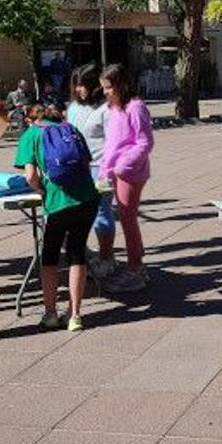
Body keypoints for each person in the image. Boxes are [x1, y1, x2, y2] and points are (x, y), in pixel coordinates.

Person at [16, 103, 100, 331]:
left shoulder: (31, 134)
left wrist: (41, 190)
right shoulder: (70, 128)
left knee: (50, 256)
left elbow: (31, 176)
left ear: (31, 119)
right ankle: (75, 315)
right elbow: (86, 161)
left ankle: (50, 313)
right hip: (87, 199)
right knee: (76, 252)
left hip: (57, 202)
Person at [98, 64, 154, 293]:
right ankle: (137, 263)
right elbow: (112, 143)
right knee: (125, 217)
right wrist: (105, 169)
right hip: (116, 171)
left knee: (127, 218)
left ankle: (136, 269)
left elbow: (144, 142)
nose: (105, 92)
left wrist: (122, 166)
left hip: (131, 172)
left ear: (121, 85)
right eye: (104, 88)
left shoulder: (136, 107)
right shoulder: (114, 108)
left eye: (109, 87)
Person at [66, 64, 118, 282]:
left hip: (100, 167)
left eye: (83, 86)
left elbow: (114, 141)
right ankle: (85, 253)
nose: (79, 90)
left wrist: (109, 169)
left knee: (101, 214)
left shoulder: (107, 109)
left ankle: (106, 258)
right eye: (76, 86)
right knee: (73, 215)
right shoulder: (73, 108)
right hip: (75, 167)